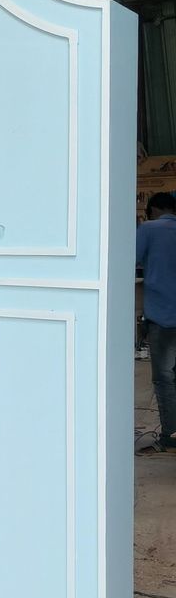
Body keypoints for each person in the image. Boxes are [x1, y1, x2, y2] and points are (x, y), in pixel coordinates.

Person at [136, 192, 176, 450]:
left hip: (162, 315)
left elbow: (129, 261)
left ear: (156, 209)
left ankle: (169, 437)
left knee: (164, 378)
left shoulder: (149, 229)